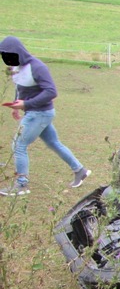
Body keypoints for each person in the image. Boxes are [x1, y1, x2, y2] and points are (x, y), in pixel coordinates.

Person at [0, 36, 90, 196]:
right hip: (36, 113)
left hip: (39, 113)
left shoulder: (37, 67)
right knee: (54, 143)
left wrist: (26, 105)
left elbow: (51, 92)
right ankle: (80, 170)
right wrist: (16, 105)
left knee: (18, 145)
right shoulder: (17, 68)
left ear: (18, 52)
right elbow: (20, 87)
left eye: (8, 54)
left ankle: (21, 185)